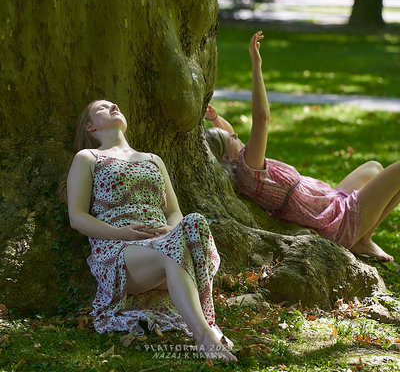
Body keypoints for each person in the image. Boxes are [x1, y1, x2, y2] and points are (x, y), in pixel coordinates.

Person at [205, 30, 399, 263]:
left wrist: (215, 119)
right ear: (227, 157)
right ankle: (358, 238)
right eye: (232, 139)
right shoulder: (249, 170)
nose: (236, 136)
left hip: (330, 203)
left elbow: (227, 133)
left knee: (374, 167)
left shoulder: (242, 166)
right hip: (337, 222)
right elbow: (261, 117)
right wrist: (256, 66)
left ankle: (363, 238)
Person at [66, 99, 237, 362]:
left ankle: (206, 320)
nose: (113, 107)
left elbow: (174, 211)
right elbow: (77, 218)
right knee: (172, 250)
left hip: (164, 242)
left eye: (115, 104)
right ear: (89, 126)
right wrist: (122, 233)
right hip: (119, 250)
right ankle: (204, 336)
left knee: (195, 222)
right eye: (102, 107)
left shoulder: (153, 159)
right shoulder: (89, 158)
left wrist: (170, 229)